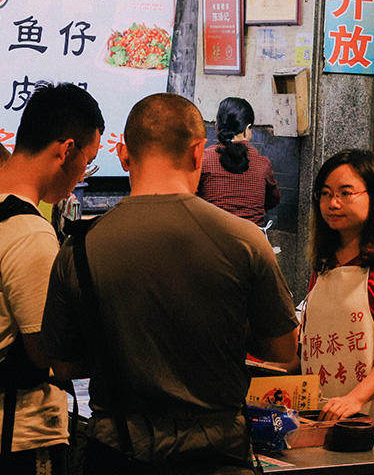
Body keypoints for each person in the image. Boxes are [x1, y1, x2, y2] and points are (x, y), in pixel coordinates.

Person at [42, 93, 298, 475]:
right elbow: (282, 348)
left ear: (125, 155)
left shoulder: (80, 247)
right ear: (199, 152)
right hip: (217, 457)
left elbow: (61, 364)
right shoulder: (244, 240)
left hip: (116, 455)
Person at [0, 83, 104, 474]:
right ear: (66, 150)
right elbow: (47, 352)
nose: (81, 177)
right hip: (20, 436)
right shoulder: (30, 233)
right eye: (87, 162)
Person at [303, 149, 374, 442]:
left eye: (346, 193)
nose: (333, 203)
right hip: (322, 415)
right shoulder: (324, 264)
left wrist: (354, 399)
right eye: (325, 194)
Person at [198, 97, 281, 226]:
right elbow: (273, 200)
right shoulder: (262, 164)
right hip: (252, 241)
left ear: (216, 127)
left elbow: (191, 198)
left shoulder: (203, 160)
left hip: (211, 238)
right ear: (247, 129)